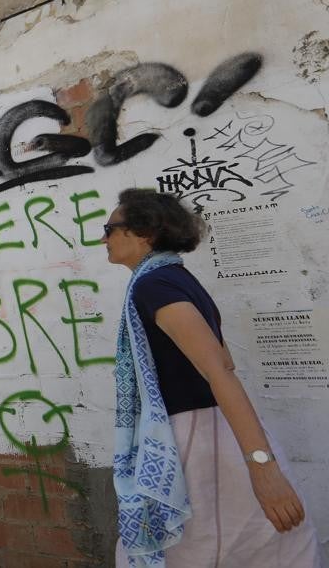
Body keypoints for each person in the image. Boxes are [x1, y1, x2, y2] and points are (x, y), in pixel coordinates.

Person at [104, 189, 320, 567]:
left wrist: (263, 468)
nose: (102, 238)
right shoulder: (177, 278)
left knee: (181, 551)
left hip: (199, 445)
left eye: (109, 229)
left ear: (145, 233)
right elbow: (225, 360)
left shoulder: (155, 286)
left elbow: (218, 370)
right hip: (214, 435)